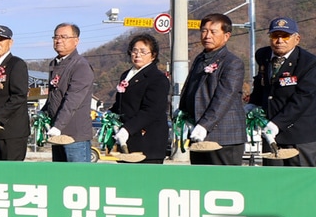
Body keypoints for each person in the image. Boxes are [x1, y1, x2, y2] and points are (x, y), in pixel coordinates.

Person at [178, 13, 246, 166]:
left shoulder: (232, 63)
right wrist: (182, 113)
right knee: (201, 183)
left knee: (224, 184)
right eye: (204, 31)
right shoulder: (200, 59)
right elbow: (189, 88)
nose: (207, 35)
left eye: (213, 32)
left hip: (225, 136)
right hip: (197, 134)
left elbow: (224, 97)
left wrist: (204, 125)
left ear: (226, 36)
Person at [252, 17, 316, 167]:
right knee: (272, 182)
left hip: (300, 136)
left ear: (297, 39)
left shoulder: (309, 63)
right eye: (275, 36)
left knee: (300, 183)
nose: (279, 41)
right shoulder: (263, 55)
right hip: (270, 134)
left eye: (285, 36)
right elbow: (261, 81)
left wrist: (277, 124)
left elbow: (302, 99)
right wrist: (253, 103)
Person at [109, 33, 169, 164]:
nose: (137, 55)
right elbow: (121, 102)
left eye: (143, 51)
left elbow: (152, 110)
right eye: (134, 51)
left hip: (147, 141)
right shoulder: (126, 75)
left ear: (153, 55)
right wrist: (110, 115)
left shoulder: (157, 78)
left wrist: (127, 129)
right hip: (126, 140)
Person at [41, 22, 95, 163]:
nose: (59, 41)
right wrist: (43, 112)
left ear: (76, 41)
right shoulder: (55, 64)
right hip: (56, 133)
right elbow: (54, 95)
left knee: (78, 179)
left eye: (64, 37)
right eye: (56, 37)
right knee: (60, 179)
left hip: (75, 136)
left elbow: (72, 100)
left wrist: (58, 127)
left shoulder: (80, 66)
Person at [0, 25, 30, 161]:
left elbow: (19, 96)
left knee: (11, 174)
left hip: (13, 130)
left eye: (1, 40)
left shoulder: (16, 64)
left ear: (10, 42)